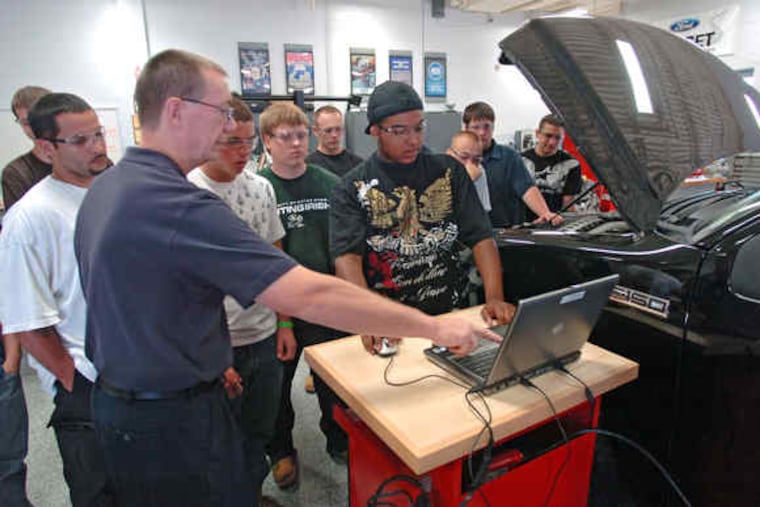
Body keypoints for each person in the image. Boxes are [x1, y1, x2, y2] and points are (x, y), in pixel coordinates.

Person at [74, 49, 497, 507]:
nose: (226, 128)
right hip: (170, 418)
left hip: (136, 401)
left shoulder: (110, 187)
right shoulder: (177, 205)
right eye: (219, 113)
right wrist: (436, 327)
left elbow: (144, 302)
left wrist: (208, 367)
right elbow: (306, 292)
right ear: (176, 110)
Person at [330, 81, 515, 357]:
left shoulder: (450, 172)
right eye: (399, 131)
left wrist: (495, 297)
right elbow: (346, 258)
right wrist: (367, 316)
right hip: (392, 324)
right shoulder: (353, 187)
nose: (413, 140)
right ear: (375, 131)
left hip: (452, 314)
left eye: (419, 127)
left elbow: (481, 237)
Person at [0, 93, 113, 507]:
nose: (98, 147)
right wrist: (72, 381)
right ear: (46, 148)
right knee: (98, 491)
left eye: (99, 134)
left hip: (133, 372)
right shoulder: (30, 219)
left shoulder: (113, 193)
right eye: (80, 140)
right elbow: (26, 321)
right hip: (85, 381)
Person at [187, 95, 294, 505]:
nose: (242, 152)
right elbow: (184, 288)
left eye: (248, 142)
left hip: (263, 333)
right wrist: (214, 355)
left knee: (258, 431)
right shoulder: (187, 192)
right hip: (215, 344)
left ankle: (251, 494)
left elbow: (277, 260)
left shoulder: (260, 186)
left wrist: (284, 322)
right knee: (216, 440)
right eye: (230, 142)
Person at [258, 102, 347, 490]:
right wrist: (284, 319)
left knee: (334, 383)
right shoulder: (261, 188)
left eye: (300, 135)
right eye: (285, 137)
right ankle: (281, 451)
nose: (295, 144)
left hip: (327, 302)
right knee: (278, 389)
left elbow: (344, 246)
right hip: (283, 307)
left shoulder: (329, 182)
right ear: (266, 141)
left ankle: (340, 440)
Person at [462, 101, 561, 228]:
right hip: (471, 234)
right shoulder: (456, 159)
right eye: (476, 127)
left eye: (487, 126)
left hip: (506, 234)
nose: (482, 132)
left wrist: (545, 213)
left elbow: (526, 188)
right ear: (466, 128)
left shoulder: (509, 157)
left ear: (493, 127)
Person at [521, 114, 582, 220]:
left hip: (554, 225)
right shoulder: (520, 161)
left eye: (557, 137)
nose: (552, 142)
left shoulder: (571, 164)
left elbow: (568, 205)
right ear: (537, 134)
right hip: (523, 224)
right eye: (548, 136)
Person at [2, 86, 52, 210]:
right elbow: (20, 224)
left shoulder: (89, 161)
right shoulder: (16, 173)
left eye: (40, 119)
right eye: (26, 123)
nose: (36, 128)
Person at [305, 105, 363, 177]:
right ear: (316, 131)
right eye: (328, 131)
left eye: (338, 129)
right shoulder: (307, 167)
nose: (334, 135)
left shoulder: (358, 165)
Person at [446, 130, 491, 212]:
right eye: (463, 157)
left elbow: (481, 213)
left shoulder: (478, 170)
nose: (469, 164)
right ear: (449, 154)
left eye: (476, 159)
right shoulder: (434, 170)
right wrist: (467, 180)